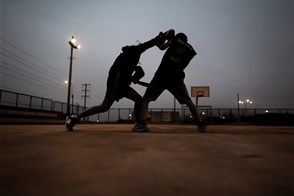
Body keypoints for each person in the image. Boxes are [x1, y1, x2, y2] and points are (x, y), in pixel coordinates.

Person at [65, 31, 170, 131]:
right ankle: (75, 117)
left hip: (122, 83)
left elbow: (138, 71)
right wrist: (161, 37)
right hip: (116, 83)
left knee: (138, 99)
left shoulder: (131, 59)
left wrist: (134, 78)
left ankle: (139, 123)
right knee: (104, 107)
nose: (143, 51)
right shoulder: (133, 52)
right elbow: (148, 44)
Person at [134, 30, 207, 132]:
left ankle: (141, 124)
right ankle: (200, 124)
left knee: (146, 99)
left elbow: (161, 47)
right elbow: (182, 60)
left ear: (177, 37)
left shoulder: (175, 40)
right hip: (176, 78)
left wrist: (161, 38)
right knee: (188, 101)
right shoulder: (191, 50)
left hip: (162, 75)